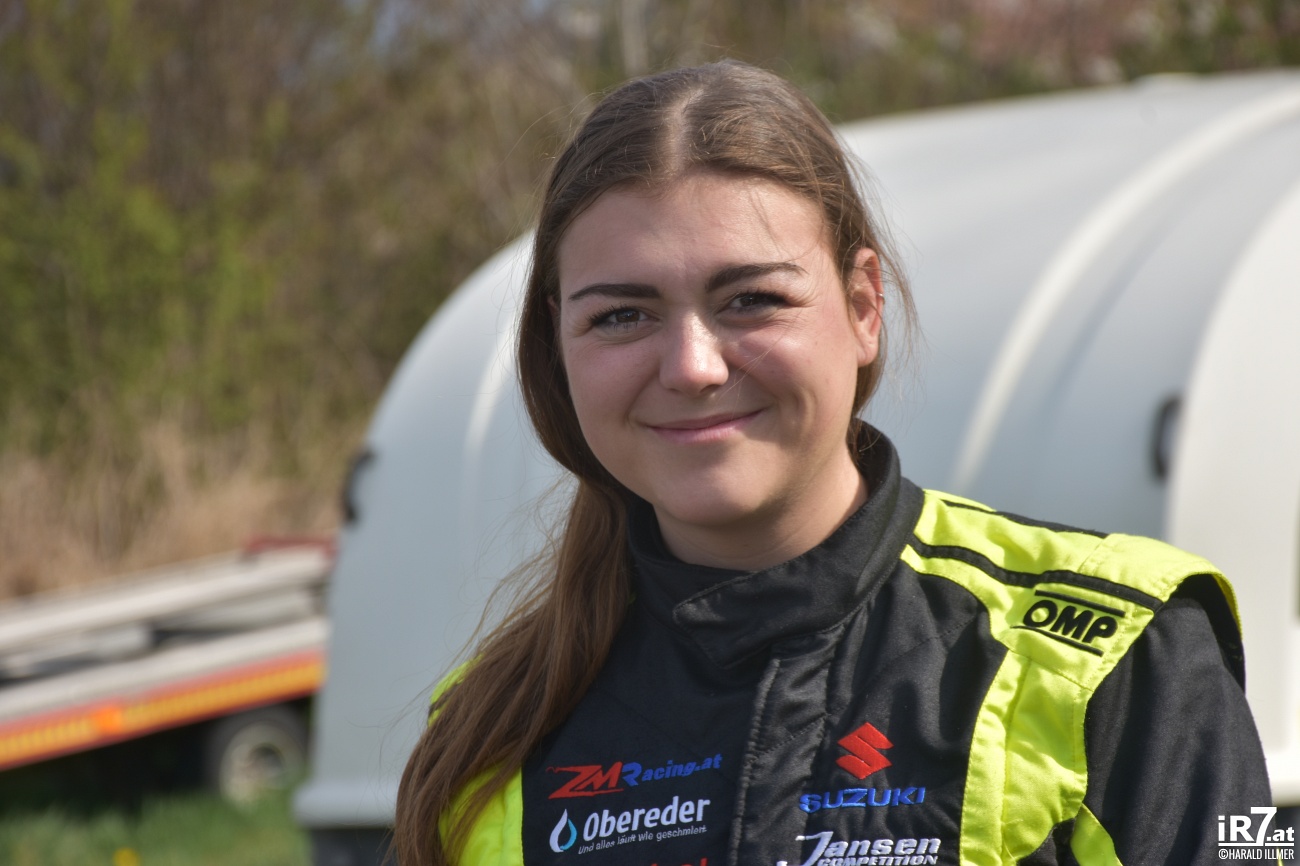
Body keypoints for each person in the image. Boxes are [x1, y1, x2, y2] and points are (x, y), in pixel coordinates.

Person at [394, 60, 1272, 866]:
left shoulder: (1123, 647)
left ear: (862, 306)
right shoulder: (489, 728)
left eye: (752, 299)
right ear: (557, 341)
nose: (693, 367)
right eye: (622, 315)